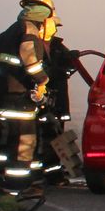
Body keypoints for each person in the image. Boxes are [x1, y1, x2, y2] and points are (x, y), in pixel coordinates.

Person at [0, 0, 52, 196]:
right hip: (20, 105)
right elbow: (31, 62)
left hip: (1, 102)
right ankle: (16, 191)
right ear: (44, 15)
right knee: (23, 147)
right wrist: (43, 81)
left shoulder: (5, 35)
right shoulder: (29, 31)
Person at [37, 15, 76, 184]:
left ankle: (53, 175)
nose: (55, 29)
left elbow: (69, 70)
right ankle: (36, 175)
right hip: (38, 102)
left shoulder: (59, 48)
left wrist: (69, 64)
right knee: (37, 139)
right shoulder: (31, 45)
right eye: (54, 25)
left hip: (58, 103)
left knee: (55, 138)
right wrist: (54, 72)